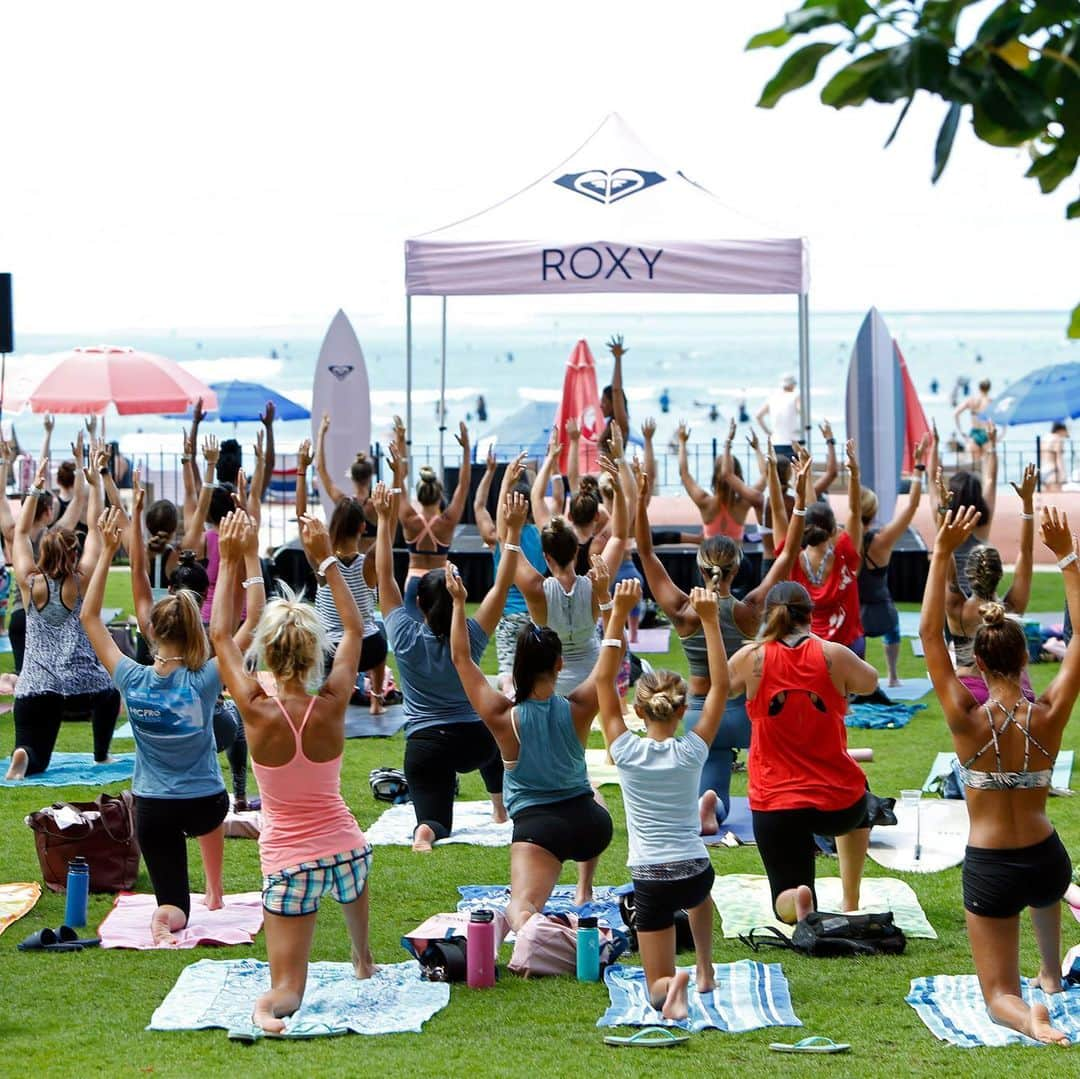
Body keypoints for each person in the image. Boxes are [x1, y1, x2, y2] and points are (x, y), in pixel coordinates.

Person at [920, 505, 1080, 1046]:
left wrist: (942, 551)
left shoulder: (966, 719)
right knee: (1044, 892)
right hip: (1046, 858)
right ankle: (1052, 975)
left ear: (981, 668)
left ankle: (1024, 1014)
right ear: (1025, 657)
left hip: (992, 864)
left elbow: (929, 638)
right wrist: (1068, 558)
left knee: (997, 997)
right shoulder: (1051, 712)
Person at [211, 512, 375, 1035]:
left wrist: (236, 559)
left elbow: (219, 635)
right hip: (350, 854)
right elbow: (354, 628)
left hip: (290, 866)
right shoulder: (331, 703)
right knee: (349, 869)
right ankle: (362, 956)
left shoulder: (257, 710)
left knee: (287, 989)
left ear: (268, 652)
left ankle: (267, 1011)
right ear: (311, 653)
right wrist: (326, 557)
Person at [81, 508, 263, 943]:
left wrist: (108, 551)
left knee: (174, 903)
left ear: (151, 635)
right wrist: (246, 556)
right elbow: (251, 619)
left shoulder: (131, 676)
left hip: (153, 808)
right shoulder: (205, 678)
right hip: (206, 803)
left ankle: (168, 918)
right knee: (210, 807)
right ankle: (215, 892)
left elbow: (89, 618)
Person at [635, 455, 810, 828]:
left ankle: (710, 806)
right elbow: (788, 554)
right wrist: (802, 499)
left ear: (700, 569)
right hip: (748, 715)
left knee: (713, 771)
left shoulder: (684, 611)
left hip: (701, 714)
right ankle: (786, 803)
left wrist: (639, 500)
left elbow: (646, 552)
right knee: (780, 764)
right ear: (737, 568)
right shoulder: (749, 609)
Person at [447, 563, 612, 930]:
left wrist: (460, 603)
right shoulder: (579, 707)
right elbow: (610, 661)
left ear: (517, 664)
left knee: (519, 912)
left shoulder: (502, 716)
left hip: (541, 830)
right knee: (594, 791)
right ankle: (584, 890)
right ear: (559, 664)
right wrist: (606, 602)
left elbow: (461, 659)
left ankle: (563, 938)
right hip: (591, 827)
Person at [596, 580, 725, 1019]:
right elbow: (722, 688)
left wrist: (617, 613)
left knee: (656, 994)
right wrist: (710, 622)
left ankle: (676, 986)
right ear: (682, 708)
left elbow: (601, 681)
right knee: (699, 898)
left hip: (651, 879)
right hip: (695, 871)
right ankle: (705, 968)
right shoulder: (692, 750)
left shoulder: (626, 752)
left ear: (638, 709)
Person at [374, 482, 515, 852]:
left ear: (418, 604)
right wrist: (511, 533)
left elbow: (385, 578)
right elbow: (501, 585)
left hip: (426, 744)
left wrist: (384, 520)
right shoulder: (470, 634)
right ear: (459, 596)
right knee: (496, 737)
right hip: (476, 741)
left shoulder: (403, 634)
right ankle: (499, 809)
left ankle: (425, 832)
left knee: (434, 819)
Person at [728, 581, 879, 922]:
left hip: (776, 803)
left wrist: (711, 624)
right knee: (863, 794)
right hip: (839, 802)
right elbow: (870, 681)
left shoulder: (752, 657)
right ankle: (850, 898)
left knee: (785, 902)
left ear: (768, 616)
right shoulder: (833, 654)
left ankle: (797, 898)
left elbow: (718, 687)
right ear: (810, 615)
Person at [128, 474, 253, 808]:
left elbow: (139, 576)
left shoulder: (153, 627)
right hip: (209, 729)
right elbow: (249, 615)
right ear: (203, 595)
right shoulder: (216, 641)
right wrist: (237, 555)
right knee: (236, 716)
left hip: (161, 731)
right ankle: (239, 793)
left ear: (171, 591)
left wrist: (136, 515)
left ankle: (168, 788)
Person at [5, 458, 119, 780]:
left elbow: (22, 531)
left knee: (35, 757)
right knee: (111, 691)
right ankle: (102, 755)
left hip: (32, 687)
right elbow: (97, 531)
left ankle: (24, 753)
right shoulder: (80, 581)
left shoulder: (29, 581)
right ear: (72, 553)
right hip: (77, 690)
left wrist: (36, 487)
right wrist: (95, 484)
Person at [514, 455, 627, 695]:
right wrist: (618, 491)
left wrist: (508, 494)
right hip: (593, 678)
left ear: (546, 557)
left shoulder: (537, 589)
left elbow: (508, 547)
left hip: (551, 680)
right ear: (576, 551)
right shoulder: (596, 583)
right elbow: (619, 536)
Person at [942, 464, 1037, 706]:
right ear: (999, 574)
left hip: (969, 692)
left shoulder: (956, 609)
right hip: (1016, 693)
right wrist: (1027, 505)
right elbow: (1026, 552)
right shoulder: (1010, 608)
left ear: (969, 574)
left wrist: (945, 512)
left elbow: (944, 554)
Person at [716, 421, 838, 569]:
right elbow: (832, 473)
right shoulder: (800, 498)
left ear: (770, 473)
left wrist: (729, 441)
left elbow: (727, 474)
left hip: (770, 563)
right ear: (789, 473)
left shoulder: (760, 500)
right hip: (797, 563)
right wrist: (829, 441)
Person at [782, 440, 865, 657]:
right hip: (847, 647)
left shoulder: (791, 558)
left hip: (808, 647)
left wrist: (803, 482)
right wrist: (854, 474)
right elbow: (856, 512)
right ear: (833, 531)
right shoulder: (845, 552)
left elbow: (808, 511)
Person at [474, 448, 547, 694]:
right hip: (535, 615)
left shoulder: (502, 538)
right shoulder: (542, 538)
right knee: (535, 670)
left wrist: (505, 479)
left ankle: (509, 693)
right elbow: (543, 505)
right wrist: (538, 474)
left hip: (507, 617)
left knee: (507, 670)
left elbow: (480, 506)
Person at [858, 434, 929, 685]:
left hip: (855, 613)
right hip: (881, 609)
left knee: (858, 636)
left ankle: (861, 677)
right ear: (873, 511)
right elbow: (911, 507)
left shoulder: (842, 539)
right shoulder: (882, 541)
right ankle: (893, 676)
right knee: (893, 628)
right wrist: (918, 467)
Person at [312, 496, 388, 715]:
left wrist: (302, 473)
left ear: (333, 526)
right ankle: (376, 701)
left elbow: (300, 519)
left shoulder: (322, 563)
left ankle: (330, 704)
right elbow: (388, 536)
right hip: (370, 649)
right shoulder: (370, 561)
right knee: (378, 632)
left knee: (324, 644)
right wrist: (385, 512)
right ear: (363, 527)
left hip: (333, 651)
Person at [390, 419, 471, 619]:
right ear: (440, 494)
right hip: (441, 580)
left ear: (418, 495)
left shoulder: (409, 518)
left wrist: (399, 447)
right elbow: (464, 485)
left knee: (413, 636)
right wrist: (466, 449)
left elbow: (397, 486)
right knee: (443, 637)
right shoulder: (447, 521)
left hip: (415, 579)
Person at [929, 418, 998, 596]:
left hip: (951, 597)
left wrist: (935, 445)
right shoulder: (983, 521)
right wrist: (991, 444)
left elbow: (930, 479)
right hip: (980, 595)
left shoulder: (944, 519)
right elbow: (991, 479)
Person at [676, 421, 754, 550]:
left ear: (714, 477)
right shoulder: (744, 504)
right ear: (738, 477)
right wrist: (756, 449)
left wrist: (682, 442)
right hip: (736, 563)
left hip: (709, 561)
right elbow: (765, 477)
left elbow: (684, 473)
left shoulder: (704, 501)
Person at [755, 375, 800, 458]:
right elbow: (801, 411)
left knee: (777, 470)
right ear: (792, 385)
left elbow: (758, 416)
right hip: (793, 442)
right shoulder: (795, 396)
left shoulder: (772, 397)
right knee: (795, 469)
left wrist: (768, 432)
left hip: (775, 442)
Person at [955, 378, 993, 462]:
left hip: (974, 434)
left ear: (979, 388)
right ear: (989, 388)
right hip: (986, 434)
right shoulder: (991, 402)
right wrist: (1001, 434)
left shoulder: (972, 400)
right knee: (987, 465)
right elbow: (999, 418)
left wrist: (961, 432)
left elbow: (956, 413)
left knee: (975, 466)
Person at [602, 334, 630, 442]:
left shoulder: (621, 425)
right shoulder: (610, 424)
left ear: (613, 404)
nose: (600, 405)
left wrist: (618, 359)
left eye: (604, 402)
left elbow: (616, 391)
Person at [1043, 422, 1069, 491]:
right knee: (1056, 499)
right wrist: (1063, 476)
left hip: (1043, 470)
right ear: (1061, 430)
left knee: (1047, 499)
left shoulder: (1045, 438)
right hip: (1053, 472)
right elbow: (1058, 458)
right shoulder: (1058, 438)